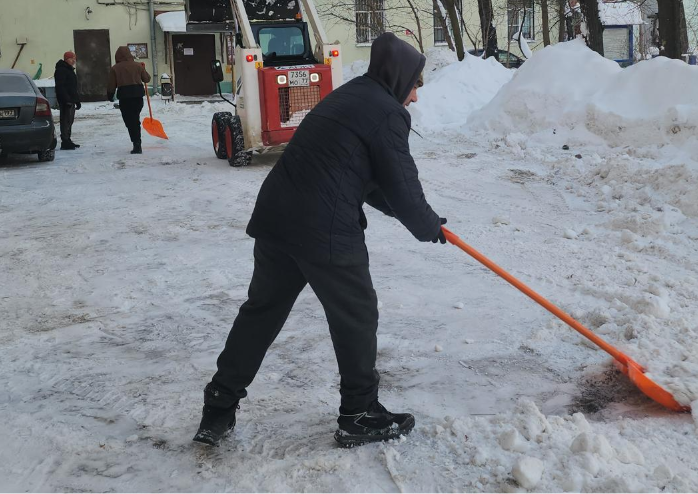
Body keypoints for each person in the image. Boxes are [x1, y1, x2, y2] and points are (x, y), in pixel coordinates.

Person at [194, 32, 446, 449]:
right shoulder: (387, 112)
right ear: (401, 77)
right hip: (323, 227)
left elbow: (363, 177)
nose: (415, 98)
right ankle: (359, 414)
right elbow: (401, 185)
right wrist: (426, 225)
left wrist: (422, 224)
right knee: (357, 316)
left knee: (262, 312)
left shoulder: (351, 96)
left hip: (278, 218)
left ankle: (218, 405)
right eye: (416, 85)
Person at [106, 46, 151, 154]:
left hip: (125, 98)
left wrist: (110, 95)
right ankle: (137, 143)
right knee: (135, 119)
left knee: (129, 121)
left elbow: (111, 84)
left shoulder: (115, 68)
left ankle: (136, 143)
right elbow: (147, 79)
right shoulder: (138, 66)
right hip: (137, 97)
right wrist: (142, 69)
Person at [53, 51, 81, 150]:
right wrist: (67, 100)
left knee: (70, 120)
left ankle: (68, 139)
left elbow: (72, 88)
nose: (74, 60)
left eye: (75, 58)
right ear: (66, 59)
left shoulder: (69, 70)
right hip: (66, 101)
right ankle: (65, 141)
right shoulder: (61, 70)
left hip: (71, 100)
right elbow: (60, 87)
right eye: (72, 58)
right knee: (65, 120)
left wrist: (76, 100)